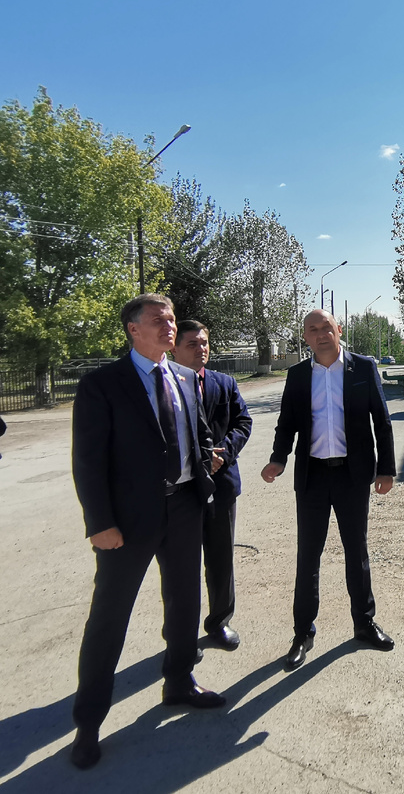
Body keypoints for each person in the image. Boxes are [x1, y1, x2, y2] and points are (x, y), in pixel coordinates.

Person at [69, 294, 225, 771]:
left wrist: (205, 469)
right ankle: (88, 722)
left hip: (184, 509)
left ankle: (179, 682)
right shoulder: (102, 384)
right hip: (127, 522)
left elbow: (197, 432)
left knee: (184, 602)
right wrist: (100, 523)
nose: (169, 325)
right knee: (109, 617)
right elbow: (88, 460)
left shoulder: (184, 377)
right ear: (133, 329)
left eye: (172, 318)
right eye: (159, 319)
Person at [261, 309, 396, 671]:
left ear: (339, 329)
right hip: (313, 478)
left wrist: (386, 469)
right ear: (305, 337)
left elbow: (382, 421)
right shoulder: (298, 375)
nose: (321, 334)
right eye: (313, 329)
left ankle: (364, 624)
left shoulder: (362, 368)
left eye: (326, 327)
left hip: (353, 476)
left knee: (357, 551)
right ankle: (302, 633)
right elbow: (287, 423)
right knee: (308, 555)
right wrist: (278, 459)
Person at [173, 320, 253, 651]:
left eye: (204, 343)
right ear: (174, 348)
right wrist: (200, 459)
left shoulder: (224, 382)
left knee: (221, 558)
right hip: (181, 492)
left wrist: (224, 453)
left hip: (222, 485)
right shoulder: (166, 386)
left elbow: (243, 422)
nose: (201, 349)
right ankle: (181, 635)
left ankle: (220, 621)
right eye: (192, 344)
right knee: (182, 566)